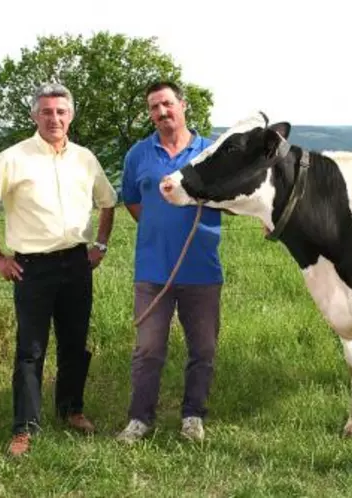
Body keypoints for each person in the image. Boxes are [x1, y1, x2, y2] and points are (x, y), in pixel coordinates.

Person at [0, 82, 117, 457]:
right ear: (35, 116)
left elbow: (108, 202)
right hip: (32, 268)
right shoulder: (12, 158)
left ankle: (71, 411)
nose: (54, 118)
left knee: (74, 343)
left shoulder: (85, 158)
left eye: (61, 111)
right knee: (31, 350)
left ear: (71, 116)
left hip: (77, 263)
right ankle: (24, 428)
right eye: (47, 112)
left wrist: (100, 244)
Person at [116, 80, 223, 444]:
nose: (161, 113)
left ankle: (193, 416)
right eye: (153, 108)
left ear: (182, 105)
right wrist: (158, 228)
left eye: (166, 104)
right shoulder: (138, 155)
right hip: (153, 271)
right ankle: (139, 420)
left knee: (203, 349)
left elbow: (233, 198)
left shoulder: (209, 153)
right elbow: (131, 199)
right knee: (148, 349)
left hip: (202, 271)